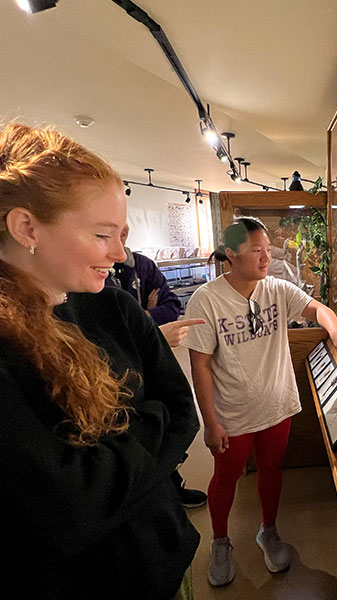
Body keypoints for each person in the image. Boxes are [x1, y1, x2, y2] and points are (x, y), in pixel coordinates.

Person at [0, 123, 201, 600]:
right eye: (101, 234)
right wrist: (150, 418)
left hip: (163, 557)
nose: (119, 253)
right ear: (27, 227)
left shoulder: (113, 306)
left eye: (120, 235)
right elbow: (66, 509)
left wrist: (108, 473)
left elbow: (183, 413)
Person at [182, 216, 337, 587]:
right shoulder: (206, 300)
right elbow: (200, 365)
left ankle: (267, 530)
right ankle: (220, 541)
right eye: (257, 251)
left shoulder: (276, 289)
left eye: (268, 250)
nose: (266, 258)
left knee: (272, 469)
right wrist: (211, 422)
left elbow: (318, 309)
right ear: (231, 254)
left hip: (277, 406)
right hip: (232, 414)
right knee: (226, 478)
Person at [106, 225, 208, 507]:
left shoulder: (142, 266)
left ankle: (171, 487)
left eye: (122, 233)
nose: (117, 246)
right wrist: (147, 323)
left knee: (157, 431)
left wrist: (143, 317)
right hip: (115, 383)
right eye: (102, 233)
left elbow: (171, 305)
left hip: (142, 371)